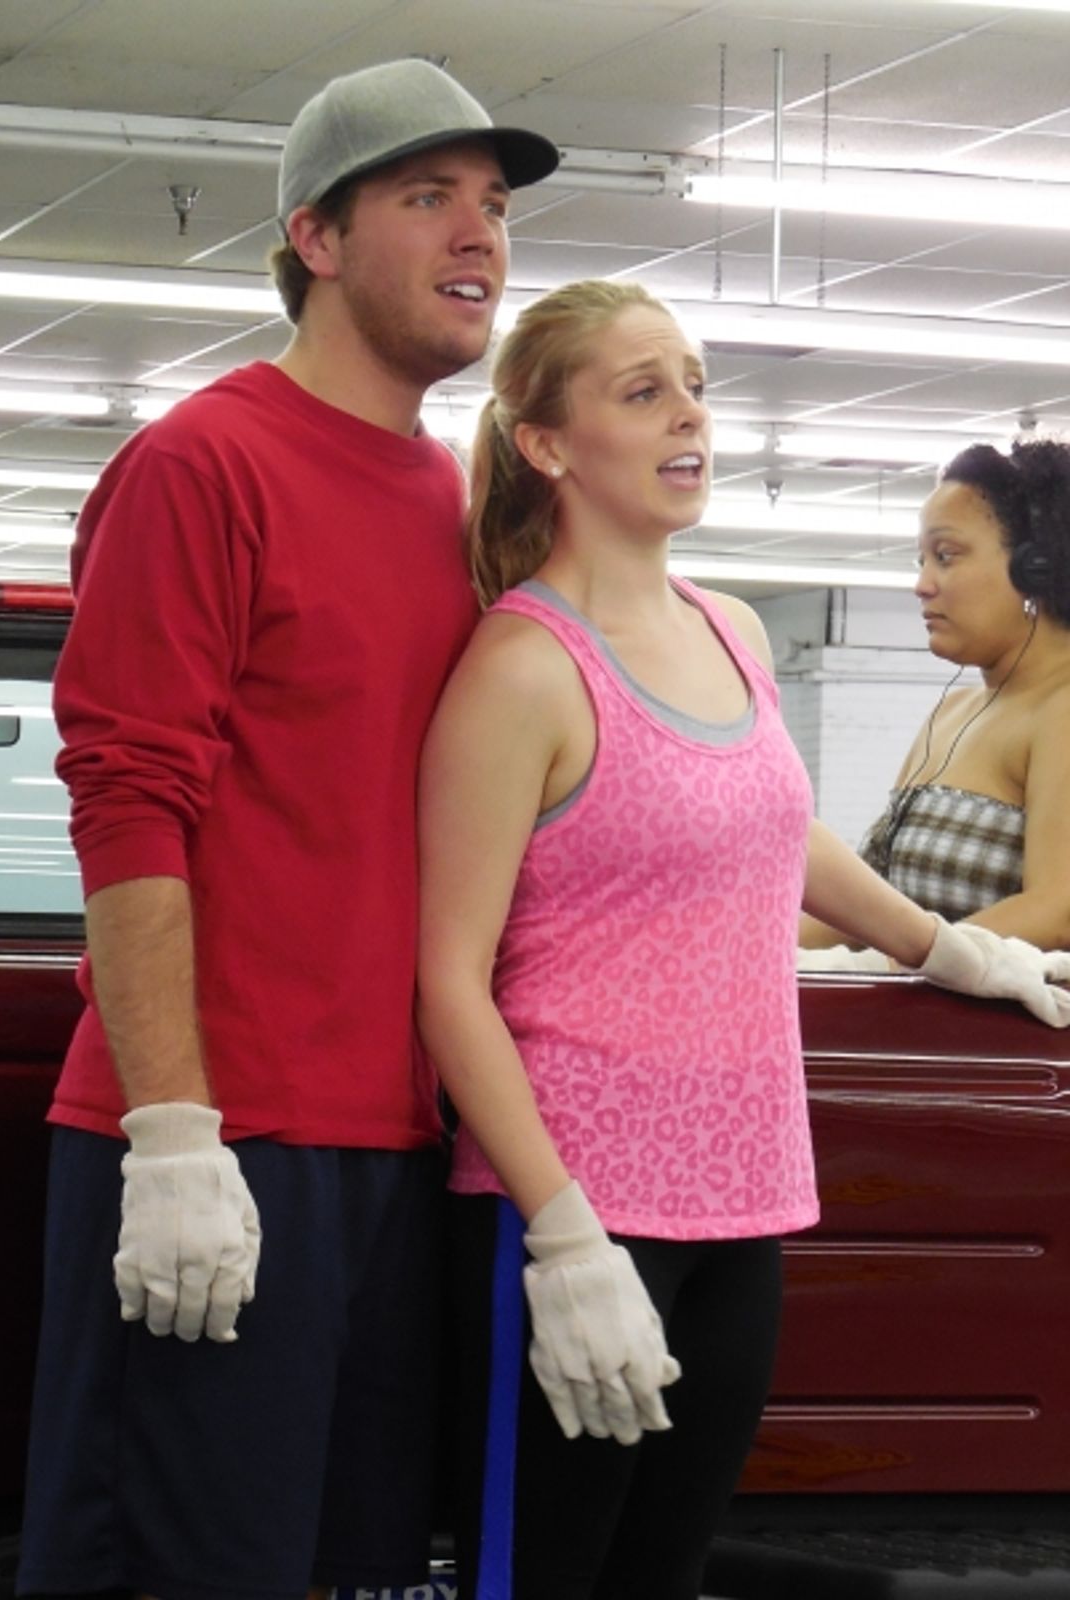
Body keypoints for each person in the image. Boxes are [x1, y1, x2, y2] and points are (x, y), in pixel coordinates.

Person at [413, 280, 1070, 1600]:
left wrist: (943, 947)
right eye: (643, 390)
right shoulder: (523, 667)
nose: (690, 416)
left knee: (663, 1575)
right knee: (545, 1575)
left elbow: (775, 826)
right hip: (581, 1205)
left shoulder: (733, 629)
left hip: (743, 1197)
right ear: (547, 443)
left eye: (696, 386)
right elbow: (448, 979)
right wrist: (561, 1233)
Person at [15, 59, 558, 1600]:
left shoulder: (455, 506)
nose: (479, 234)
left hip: (393, 1151)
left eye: (493, 204)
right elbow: (130, 798)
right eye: (428, 196)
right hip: (222, 1140)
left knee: (348, 1571)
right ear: (315, 238)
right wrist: (173, 1132)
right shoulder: (205, 463)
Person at [800, 438, 1070, 963]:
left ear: (1034, 569)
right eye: (921, 560)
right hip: (916, 1007)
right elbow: (875, 901)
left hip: (1002, 1019)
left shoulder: (1062, 709)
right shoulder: (951, 714)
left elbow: (1057, 910)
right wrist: (745, 948)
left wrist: (900, 965)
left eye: (946, 556)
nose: (922, 585)